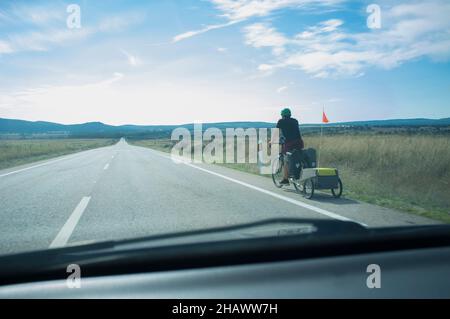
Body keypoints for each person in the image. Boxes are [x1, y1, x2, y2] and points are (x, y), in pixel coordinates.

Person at [276, 108, 304, 185]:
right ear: (290, 114)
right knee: (298, 157)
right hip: (299, 142)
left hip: (289, 143)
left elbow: (276, 133)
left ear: (282, 115)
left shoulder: (281, 121)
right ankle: (298, 173)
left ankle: (285, 179)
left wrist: (270, 142)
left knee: (286, 160)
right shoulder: (295, 121)